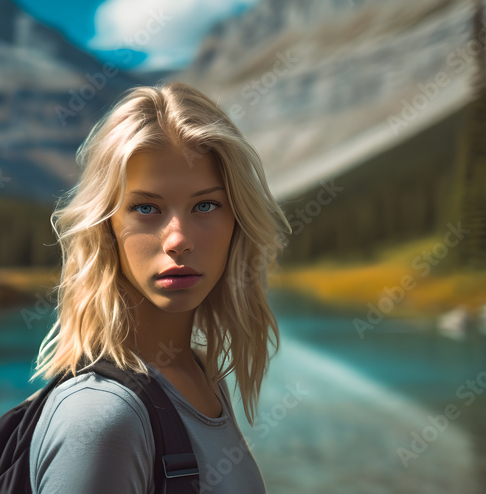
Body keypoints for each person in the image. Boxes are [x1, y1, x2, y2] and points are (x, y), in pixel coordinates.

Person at [28, 82, 291, 493]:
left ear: (237, 222)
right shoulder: (102, 417)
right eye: (146, 208)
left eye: (206, 205)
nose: (177, 239)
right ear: (106, 227)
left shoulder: (203, 375)